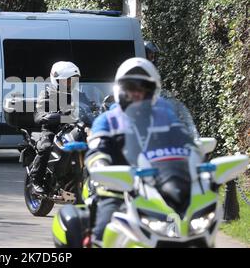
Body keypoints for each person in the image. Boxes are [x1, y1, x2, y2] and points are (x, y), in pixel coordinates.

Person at [84, 57, 180, 246]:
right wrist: (101, 165)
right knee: (105, 231)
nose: (136, 94)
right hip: (117, 190)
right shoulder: (107, 120)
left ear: (153, 91)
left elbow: (183, 146)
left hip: (158, 191)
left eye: (143, 88)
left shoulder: (165, 117)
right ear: (121, 90)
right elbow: (96, 151)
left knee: (180, 230)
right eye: (130, 88)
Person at [30, 61, 81, 195]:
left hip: (73, 129)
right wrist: (56, 116)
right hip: (52, 129)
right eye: (67, 81)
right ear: (57, 80)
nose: (71, 84)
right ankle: (36, 180)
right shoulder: (47, 94)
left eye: (73, 81)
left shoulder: (77, 94)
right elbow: (39, 115)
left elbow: (90, 106)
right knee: (46, 147)